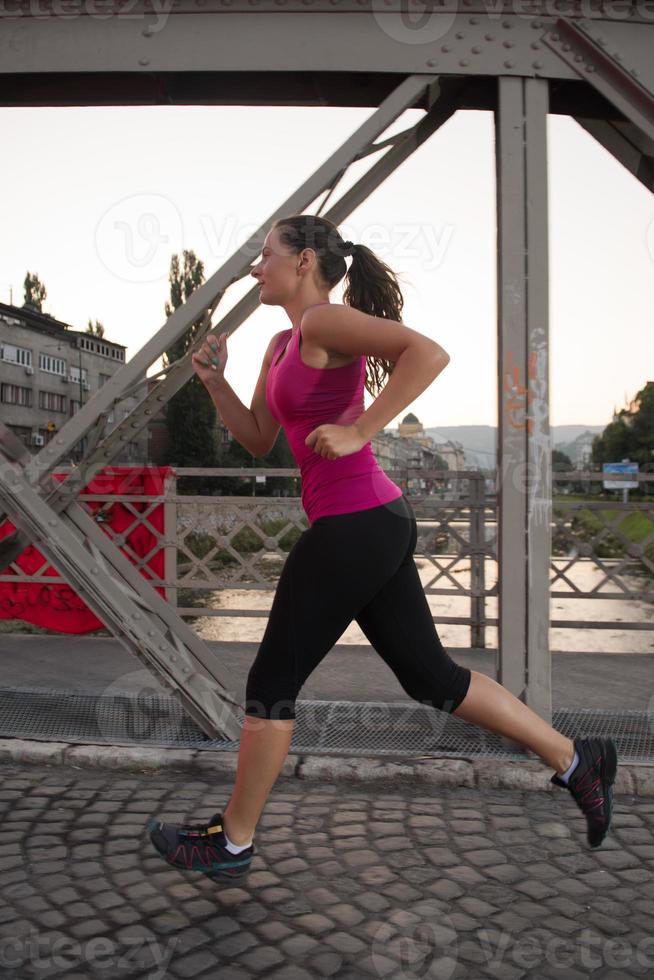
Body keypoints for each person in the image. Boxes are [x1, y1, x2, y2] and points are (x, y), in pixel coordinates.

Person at [148, 214, 617, 880]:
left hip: (355, 523)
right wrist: (214, 382)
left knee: (271, 683)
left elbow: (427, 353)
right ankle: (578, 761)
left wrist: (361, 428)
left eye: (265, 255)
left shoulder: (321, 324)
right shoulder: (281, 343)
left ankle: (232, 842)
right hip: (371, 520)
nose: (256, 268)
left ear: (304, 260)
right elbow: (256, 436)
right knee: (432, 678)